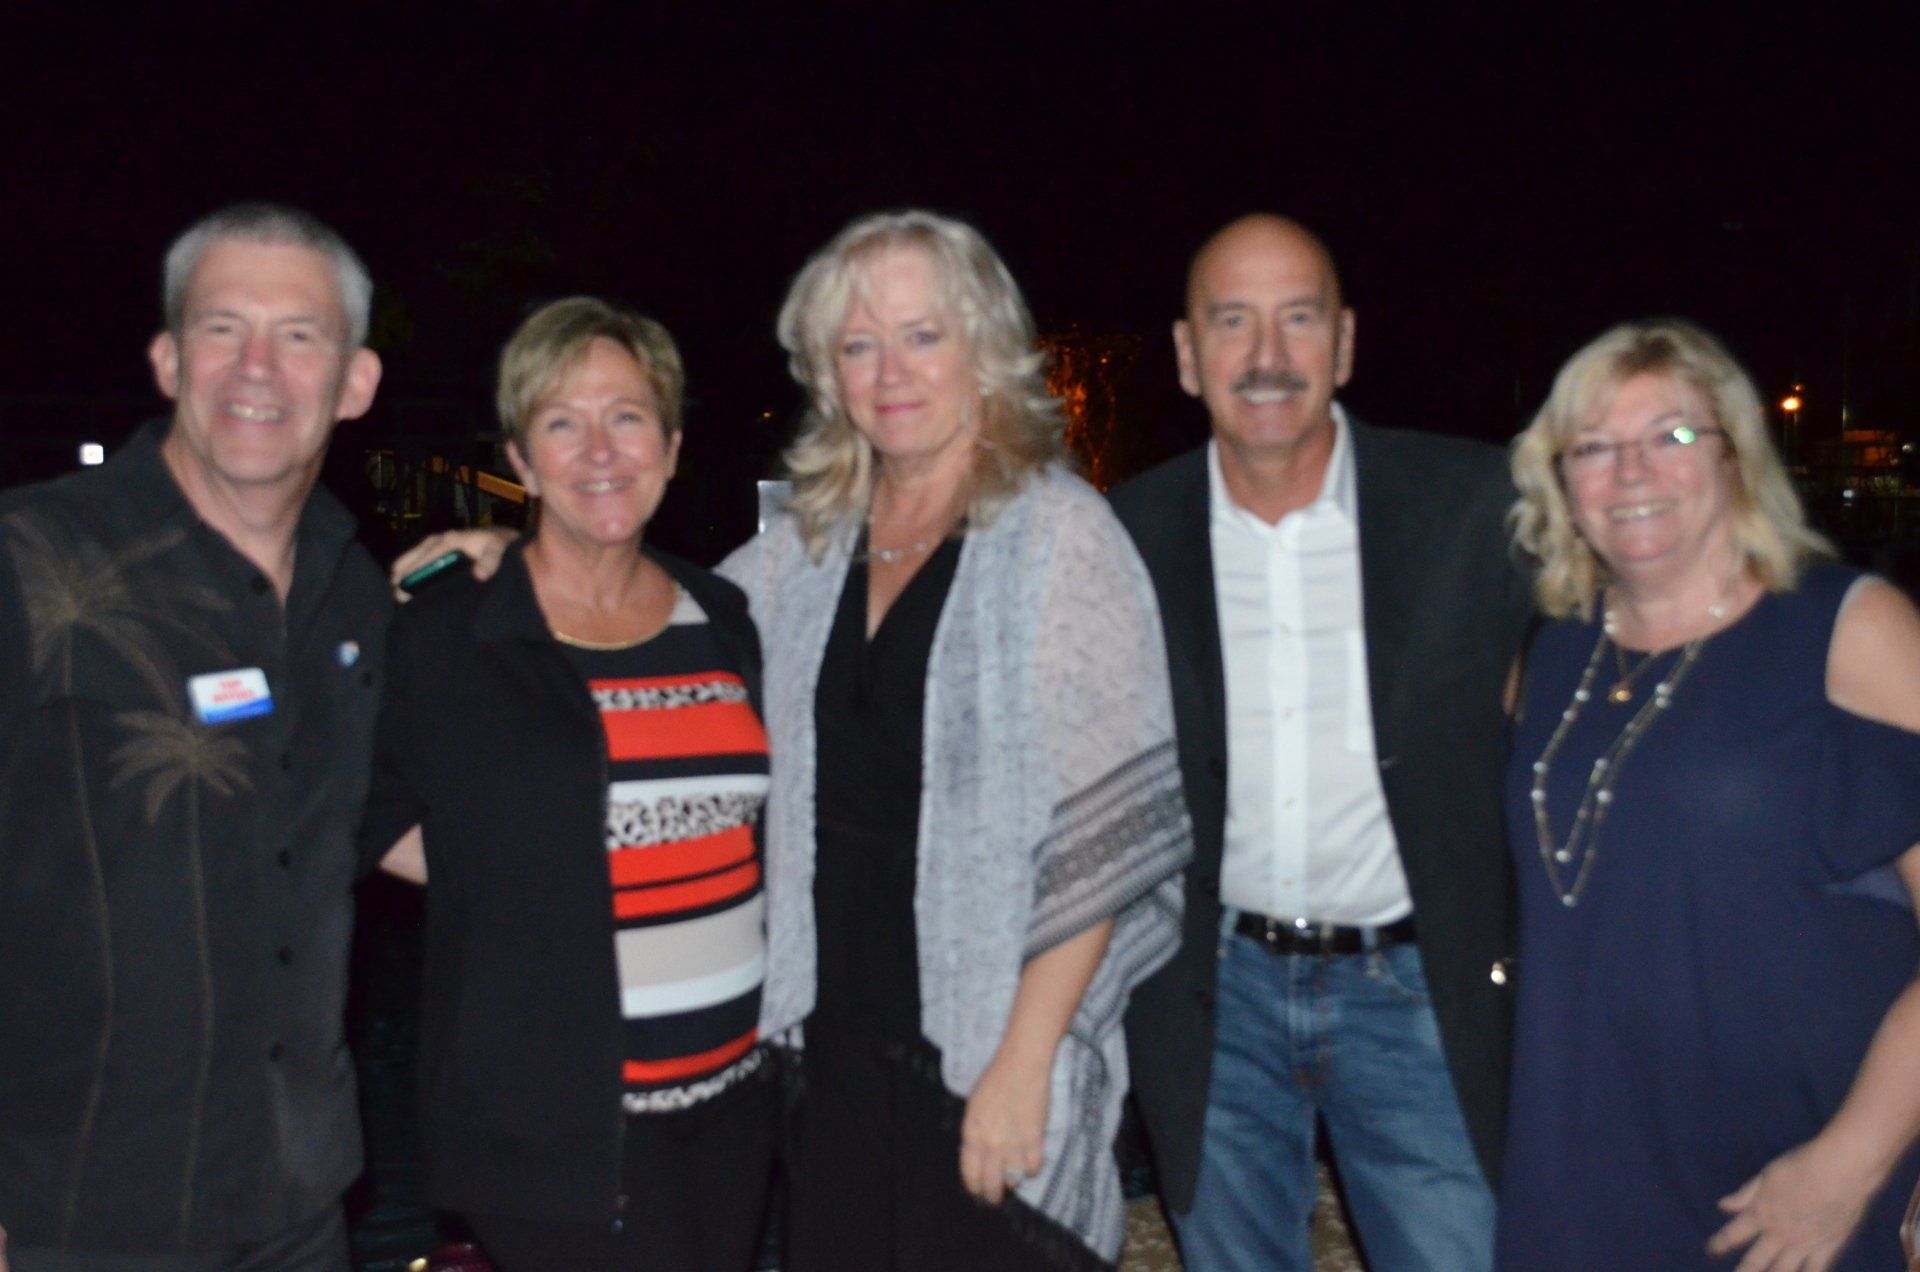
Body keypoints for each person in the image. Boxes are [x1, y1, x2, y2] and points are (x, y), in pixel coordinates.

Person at [716, 210, 1191, 1270]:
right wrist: (525, 568)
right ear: (828, 373)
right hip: (833, 1053)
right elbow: (658, 624)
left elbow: (1112, 838)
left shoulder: (1063, 538)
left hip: (987, 1052)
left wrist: (1023, 1065)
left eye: (922, 335)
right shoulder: (802, 551)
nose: (890, 372)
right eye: (859, 344)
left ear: (984, 348)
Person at [1111, 214, 1533, 1271]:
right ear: (1186, 354)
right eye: (1233, 322)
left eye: (1298, 319)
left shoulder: (1478, 506)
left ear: (1344, 343)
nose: (1267, 355)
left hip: (1421, 992)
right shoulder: (1124, 537)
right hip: (1216, 1000)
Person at [0, 203, 386, 1270]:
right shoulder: (32, 562)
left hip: (297, 1205)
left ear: (355, 382)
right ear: (170, 360)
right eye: (223, 328)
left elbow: (389, 813)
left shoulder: (359, 595)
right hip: (71, 1211)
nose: (256, 367)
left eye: (298, 334)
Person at [361, 298, 776, 1272]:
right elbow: (359, 815)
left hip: (732, 1103)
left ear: (671, 445)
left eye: (627, 416)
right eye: (562, 422)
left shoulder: (722, 614)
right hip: (557, 1123)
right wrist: (521, 878)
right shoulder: (453, 632)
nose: (600, 450)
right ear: (519, 456)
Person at [1501, 318, 1920, 1269]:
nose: (1632, 472)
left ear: (1736, 456)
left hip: (1791, 1183)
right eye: (1594, 447)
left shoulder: (1847, 630)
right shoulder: (1553, 651)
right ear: (1560, 481)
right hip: (1582, 1166)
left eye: (1674, 435)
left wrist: (1847, 1166)